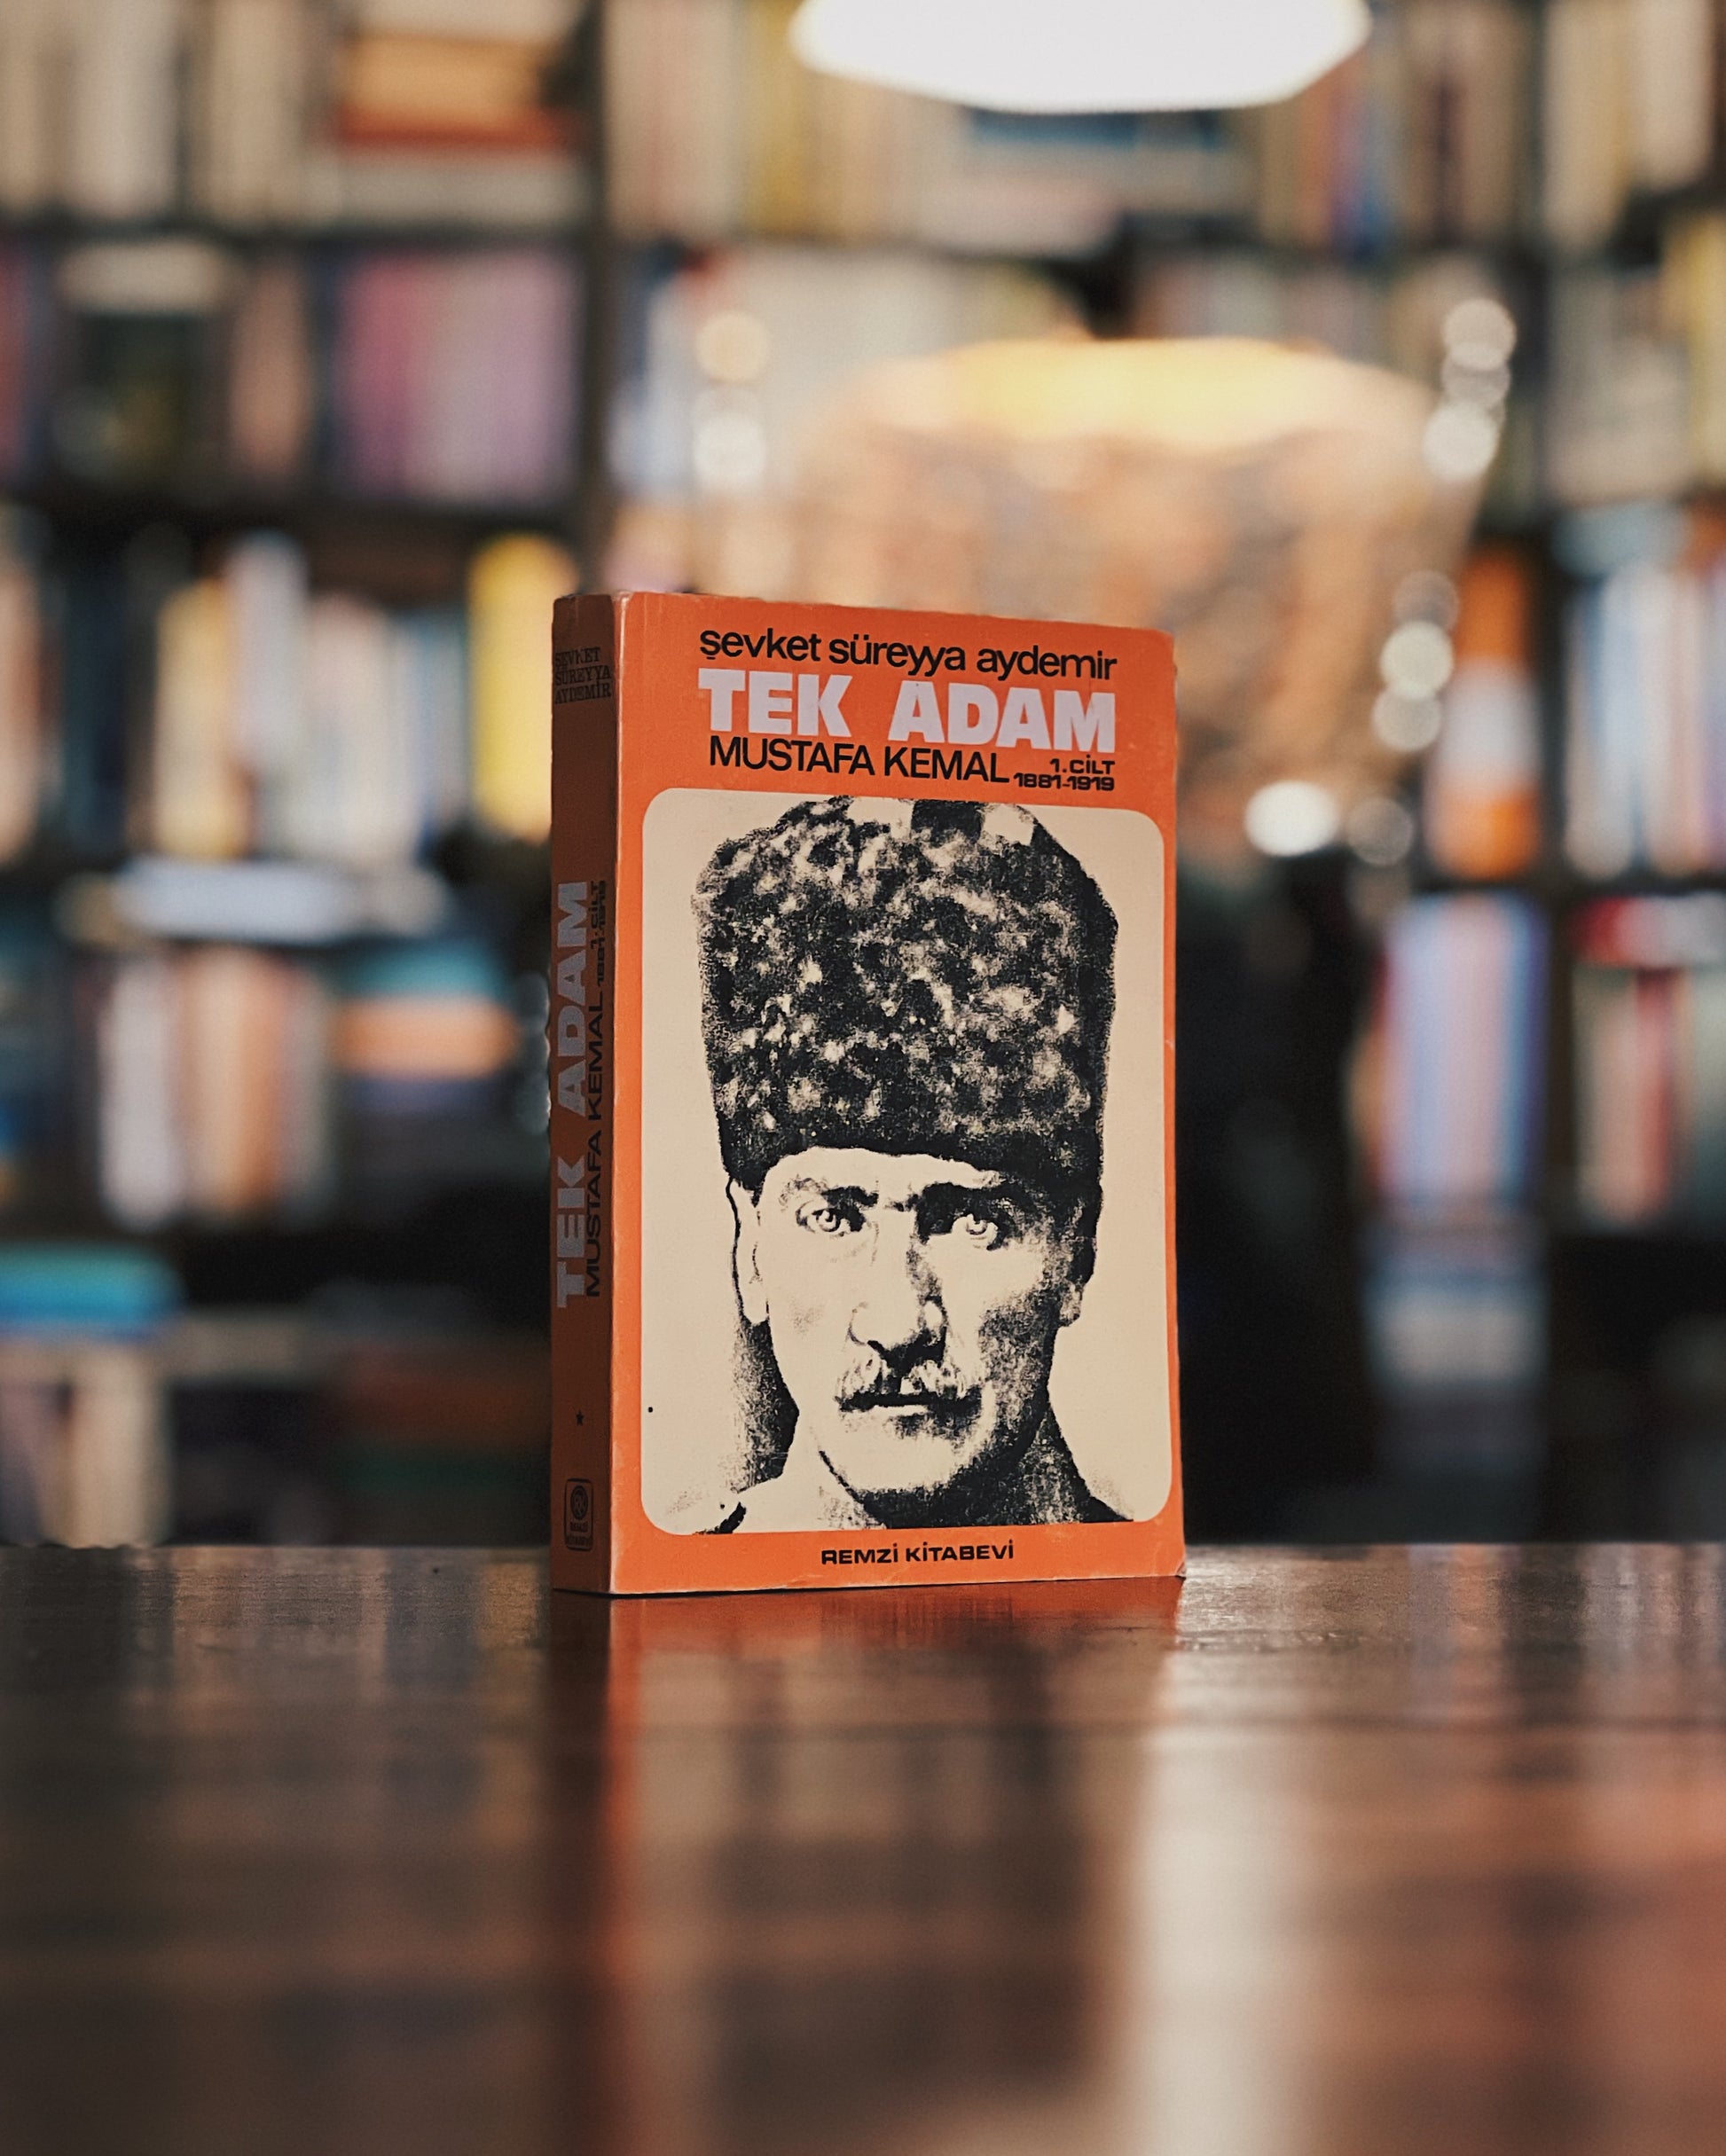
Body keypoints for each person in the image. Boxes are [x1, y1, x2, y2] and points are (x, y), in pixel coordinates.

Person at [692, 795, 1126, 1532]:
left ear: (1075, 1253)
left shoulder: (1125, 1575)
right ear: (750, 1251)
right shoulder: (692, 1582)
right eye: (832, 1217)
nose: (897, 1324)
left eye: (973, 1222)